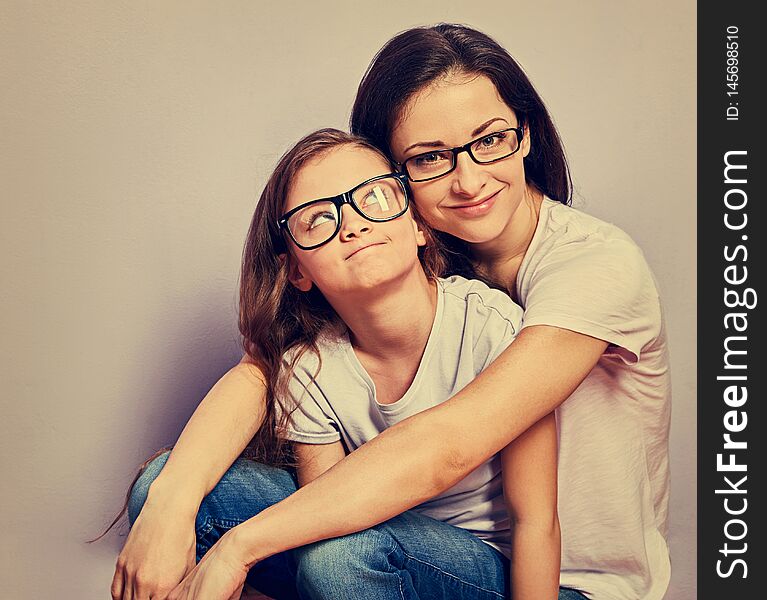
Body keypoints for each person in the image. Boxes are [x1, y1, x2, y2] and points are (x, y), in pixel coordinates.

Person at [112, 23, 671, 600]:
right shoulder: (407, 261)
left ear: (525, 134)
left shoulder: (593, 267)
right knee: (169, 491)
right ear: (399, 183)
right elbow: (266, 371)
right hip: (411, 544)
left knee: (345, 553)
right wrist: (172, 500)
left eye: (490, 139)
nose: (470, 179)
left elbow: (450, 445)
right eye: (430, 158)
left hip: (569, 583)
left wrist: (240, 546)